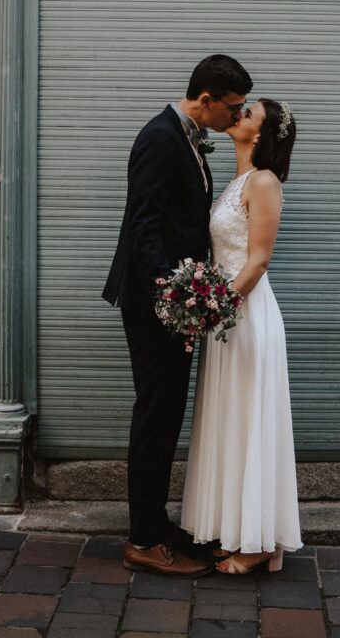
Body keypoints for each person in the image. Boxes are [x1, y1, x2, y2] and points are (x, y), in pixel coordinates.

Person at [101, 54, 253, 578]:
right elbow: (142, 226)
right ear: (205, 99)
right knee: (155, 414)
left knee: (166, 416)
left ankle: (155, 521)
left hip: (173, 304)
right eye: (231, 109)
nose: (236, 119)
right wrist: (172, 295)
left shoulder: (187, 137)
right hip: (154, 305)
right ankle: (142, 539)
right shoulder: (159, 137)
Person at [181, 98, 303, 575]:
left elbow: (257, 261)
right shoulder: (234, 181)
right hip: (226, 316)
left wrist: (217, 307)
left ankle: (258, 542)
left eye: (247, 113)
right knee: (229, 417)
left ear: (261, 133)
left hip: (247, 315)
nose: (236, 115)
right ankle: (237, 529)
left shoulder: (265, 181)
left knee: (251, 419)